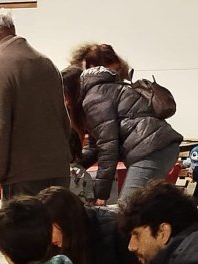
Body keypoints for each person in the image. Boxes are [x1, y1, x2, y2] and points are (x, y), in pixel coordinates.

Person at [0, 8, 72, 202]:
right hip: (58, 170)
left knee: (24, 231)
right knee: (55, 229)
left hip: (22, 176)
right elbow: (64, 120)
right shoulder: (46, 62)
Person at [63, 65, 182, 206]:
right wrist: (74, 164)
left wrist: (102, 194)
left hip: (151, 149)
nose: (64, 101)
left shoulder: (94, 98)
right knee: (144, 209)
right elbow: (95, 145)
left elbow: (108, 147)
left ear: (71, 89)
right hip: (159, 147)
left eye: (63, 94)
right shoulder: (102, 92)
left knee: (127, 209)